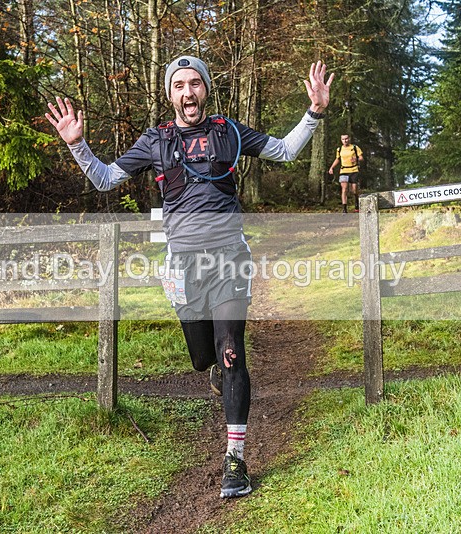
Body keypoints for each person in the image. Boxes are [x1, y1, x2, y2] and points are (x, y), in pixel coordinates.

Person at [46, 56, 333, 499]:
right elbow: (104, 180)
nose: (188, 92)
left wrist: (313, 112)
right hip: (183, 266)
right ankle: (213, 368)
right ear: (170, 95)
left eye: (195, 83)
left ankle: (235, 460)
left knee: (232, 350)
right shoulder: (155, 141)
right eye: (179, 85)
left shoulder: (229, 132)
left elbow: (285, 151)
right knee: (204, 357)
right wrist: (77, 145)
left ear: (206, 89)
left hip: (230, 260)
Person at [328, 134, 363, 213]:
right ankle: (344, 208)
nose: (345, 140)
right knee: (344, 189)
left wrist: (356, 159)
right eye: (343, 139)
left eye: (346, 139)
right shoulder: (339, 149)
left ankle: (356, 203)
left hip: (354, 170)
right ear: (341, 140)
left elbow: (361, 158)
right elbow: (337, 159)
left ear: (349, 139)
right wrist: (331, 167)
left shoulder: (354, 147)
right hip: (343, 171)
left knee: (354, 189)